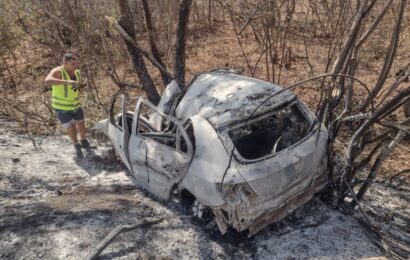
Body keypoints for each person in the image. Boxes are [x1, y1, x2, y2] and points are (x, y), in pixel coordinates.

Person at [45, 53, 89, 157]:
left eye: (76, 64)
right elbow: (47, 81)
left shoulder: (77, 73)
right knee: (70, 127)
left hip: (75, 105)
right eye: (72, 64)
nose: (75, 66)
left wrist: (81, 88)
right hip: (62, 107)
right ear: (65, 63)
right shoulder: (58, 71)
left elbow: (76, 88)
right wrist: (67, 82)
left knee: (81, 123)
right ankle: (76, 145)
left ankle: (83, 141)